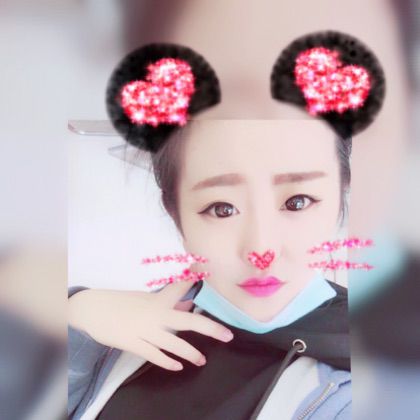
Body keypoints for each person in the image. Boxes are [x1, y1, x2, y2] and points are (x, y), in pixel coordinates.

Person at [69, 31, 385, 419]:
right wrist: (75, 312)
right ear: (176, 214)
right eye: (222, 208)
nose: (261, 249)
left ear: (341, 197)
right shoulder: (118, 331)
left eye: (297, 202)